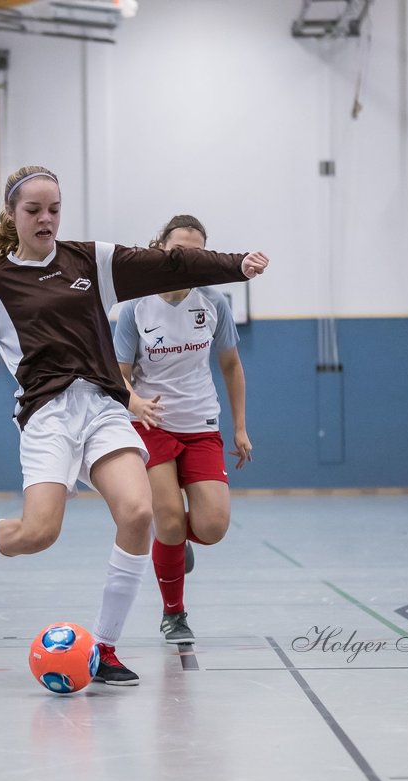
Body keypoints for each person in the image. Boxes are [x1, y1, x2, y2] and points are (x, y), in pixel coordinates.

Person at [0, 165, 268, 688]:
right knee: (38, 532)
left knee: (138, 511)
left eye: (54, 209)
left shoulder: (91, 260)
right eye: (34, 210)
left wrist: (236, 264)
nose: (46, 219)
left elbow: (170, 264)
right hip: (47, 413)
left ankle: (104, 648)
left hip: (103, 405)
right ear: (13, 216)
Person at [114, 214, 252, 644]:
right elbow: (117, 371)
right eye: (179, 248)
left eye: (195, 251)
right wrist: (134, 401)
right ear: (162, 247)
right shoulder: (136, 306)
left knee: (212, 526)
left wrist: (240, 428)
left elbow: (230, 365)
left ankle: (173, 544)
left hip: (200, 421)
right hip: (150, 422)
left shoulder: (215, 302)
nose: (186, 256)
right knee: (169, 521)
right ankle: (174, 613)